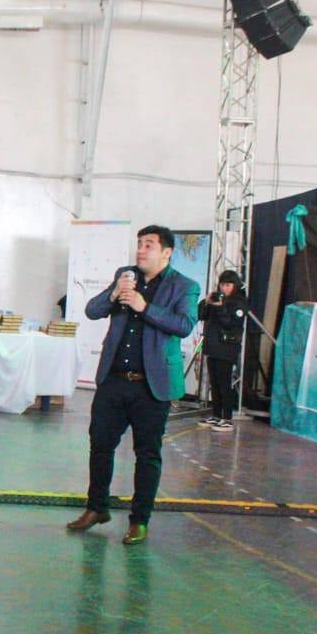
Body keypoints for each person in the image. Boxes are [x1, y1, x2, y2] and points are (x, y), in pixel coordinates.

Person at [67, 225, 200, 546]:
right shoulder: (125, 276)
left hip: (151, 386)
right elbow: (92, 310)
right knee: (100, 446)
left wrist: (144, 306)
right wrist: (114, 293)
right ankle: (96, 507)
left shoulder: (184, 286)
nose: (141, 250)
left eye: (149, 245)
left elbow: (184, 325)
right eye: (139, 244)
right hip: (114, 380)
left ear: (167, 252)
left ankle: (139, 520)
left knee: (147, 454)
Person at [198, 270, 247, 433]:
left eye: (228, 285)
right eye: (222, 284)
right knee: (215, 383)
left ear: (235, 285)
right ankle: (216, 414)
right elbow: (201, 315)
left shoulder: (239, 302)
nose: (224, 288)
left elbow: (230, 324)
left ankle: (227, 418)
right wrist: (206, 303)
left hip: (227, 348)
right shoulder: (217, 298)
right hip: (213, 347)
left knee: (225, 383)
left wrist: (220, 307)